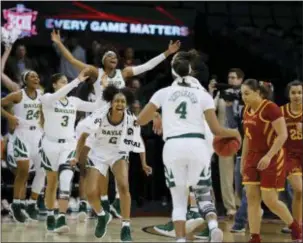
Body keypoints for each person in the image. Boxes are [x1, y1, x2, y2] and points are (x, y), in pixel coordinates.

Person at [137, 51, 241, 242]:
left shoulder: (163, 92)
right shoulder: (203, 94)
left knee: (178, 199)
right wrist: (234, 133)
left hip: (173, 146)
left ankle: (180, 239)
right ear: (191, 72)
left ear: (174, 72)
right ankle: (212, 225)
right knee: (203, 190)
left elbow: (140, 120)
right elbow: (216, 129)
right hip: (197, 145)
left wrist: (156, 115)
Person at [72, 85, 144, 241]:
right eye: (117, 101)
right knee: (90, 192)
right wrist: (76, 157)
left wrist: (156, 116)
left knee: (124, 185)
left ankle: (126, 226)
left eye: (123, 102)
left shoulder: (130, 119)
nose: (120, 104)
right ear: (111, 103)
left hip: (118, 153)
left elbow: (140, 135)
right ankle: (102, 216)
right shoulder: (99, 116)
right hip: (98, 153)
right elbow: (83, 137)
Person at [39, 68, 103, 233]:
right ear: (54, 84)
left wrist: (98, 85)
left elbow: (97, 105)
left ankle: (61, 217)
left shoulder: (74, 101)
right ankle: (51, 214)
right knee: (52, 183)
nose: (65, 85)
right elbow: (55, 96)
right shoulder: (47, 98)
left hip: (68, 144)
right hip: (49, 144)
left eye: (66, 82)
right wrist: (77, 81)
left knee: (66, 178)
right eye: (62, 82)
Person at [241, 79, 302, 243]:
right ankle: (255, 237)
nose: (243, 97)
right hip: (252, 157)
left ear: (258, 93)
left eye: (246, 93)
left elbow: (283, 135)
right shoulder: (246, 110)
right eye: (242, 94)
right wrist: (243, 160)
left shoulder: (271, 108)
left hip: (272, 156)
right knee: (252, 198)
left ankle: (294, 226)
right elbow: (247, 138)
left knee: (270, 200)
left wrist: (268, 156)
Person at [50, 29, 180, 88]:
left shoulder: (124, 72)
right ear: (103, 60)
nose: (114, 58)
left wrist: (168, 52)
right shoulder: (96, 72)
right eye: (109, 56)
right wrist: (59, 43)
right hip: (100, 117)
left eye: (115, 56)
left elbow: (148, 66)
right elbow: (72, 60)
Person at [1, 70, 46, 223]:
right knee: (24, 171)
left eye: (37, 76)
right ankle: (16, 204)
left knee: (43, 170)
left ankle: (32, 203)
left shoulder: (42, 94)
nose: (36, 78)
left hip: (38, 136)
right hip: (22, 135)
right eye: (32, 76)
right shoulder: (18, 95)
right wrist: (10, 117)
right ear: (25, 80)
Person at [208, 68, 244, 218]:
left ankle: (243, 204)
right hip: (225, 137)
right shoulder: (221, 95)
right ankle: (230, 207)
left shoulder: (246, 94)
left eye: (234, 77)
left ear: (241, 80)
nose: (231, 80)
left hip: (243, 137)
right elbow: (210, 109)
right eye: (229, 77)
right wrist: (210, 91)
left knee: (242, 175)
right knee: (226, 175)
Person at [280, 80, 302, 230]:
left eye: (300, 92)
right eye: (293, 92)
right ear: (288, 94)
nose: (297, 95)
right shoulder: (281, 112)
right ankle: (297, 225)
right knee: (299, 189)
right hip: (290, 156)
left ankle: (296, 223)